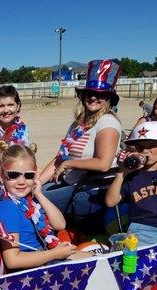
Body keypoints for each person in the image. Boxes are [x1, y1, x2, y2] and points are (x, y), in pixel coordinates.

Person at [40, 59, 122, 221]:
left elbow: (103, 164)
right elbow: (60, 157)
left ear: (108, 99)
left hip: (88, 188)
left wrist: (68, 164)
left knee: (33, 203)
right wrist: (37, 181)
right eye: (90, 93)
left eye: (100, 94)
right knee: (27, 193)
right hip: (69, 182)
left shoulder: (107, 122)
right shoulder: (79, 123)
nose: (93, 97)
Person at [0, 144, 89, 270]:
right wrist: (54, 254)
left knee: (99, 257)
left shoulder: (28, 200)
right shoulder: (7, 208)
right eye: (13, 175)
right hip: (32, 270)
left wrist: (39, 194)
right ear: (1, 177)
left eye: (28, 175)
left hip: (46, 257)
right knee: (100, 264)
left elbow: (60, 225)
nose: (21, 181)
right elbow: (13, 260)